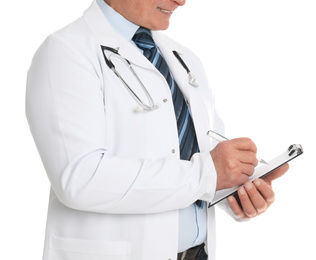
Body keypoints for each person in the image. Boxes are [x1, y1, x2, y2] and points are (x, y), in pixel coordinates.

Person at [25, 0, 289, 260]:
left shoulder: (184, 60)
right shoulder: (65, 52)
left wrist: (237, 189)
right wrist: (209, 173)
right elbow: (80, 179)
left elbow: (203, 162)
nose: (181, 1)